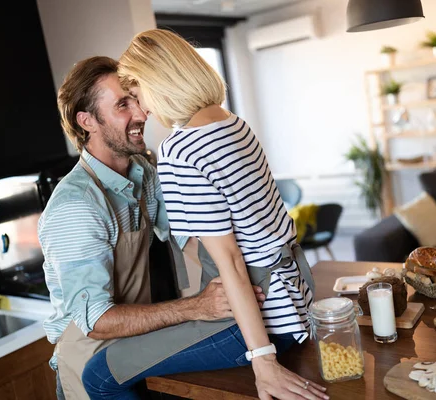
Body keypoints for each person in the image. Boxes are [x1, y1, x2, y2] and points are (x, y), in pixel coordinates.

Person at [81, 29, 328, 400]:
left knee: (99, 374)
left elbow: (230, 262)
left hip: (259, 320)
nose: (142, 109)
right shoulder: (234, 124)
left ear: (159, 81)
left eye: (138, 93)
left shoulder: (180, 150)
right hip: (294, 302)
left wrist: (263, 363)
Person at [39, 56, 268, 399]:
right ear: (87, 121)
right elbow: (97, 322)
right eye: (122, 105)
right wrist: (198, 307)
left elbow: (191, 234)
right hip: (89, 362)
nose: (142, 114)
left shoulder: (142, 172)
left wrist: (239, 281)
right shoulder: (77, 206)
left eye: (136, 98)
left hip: (135, 349)